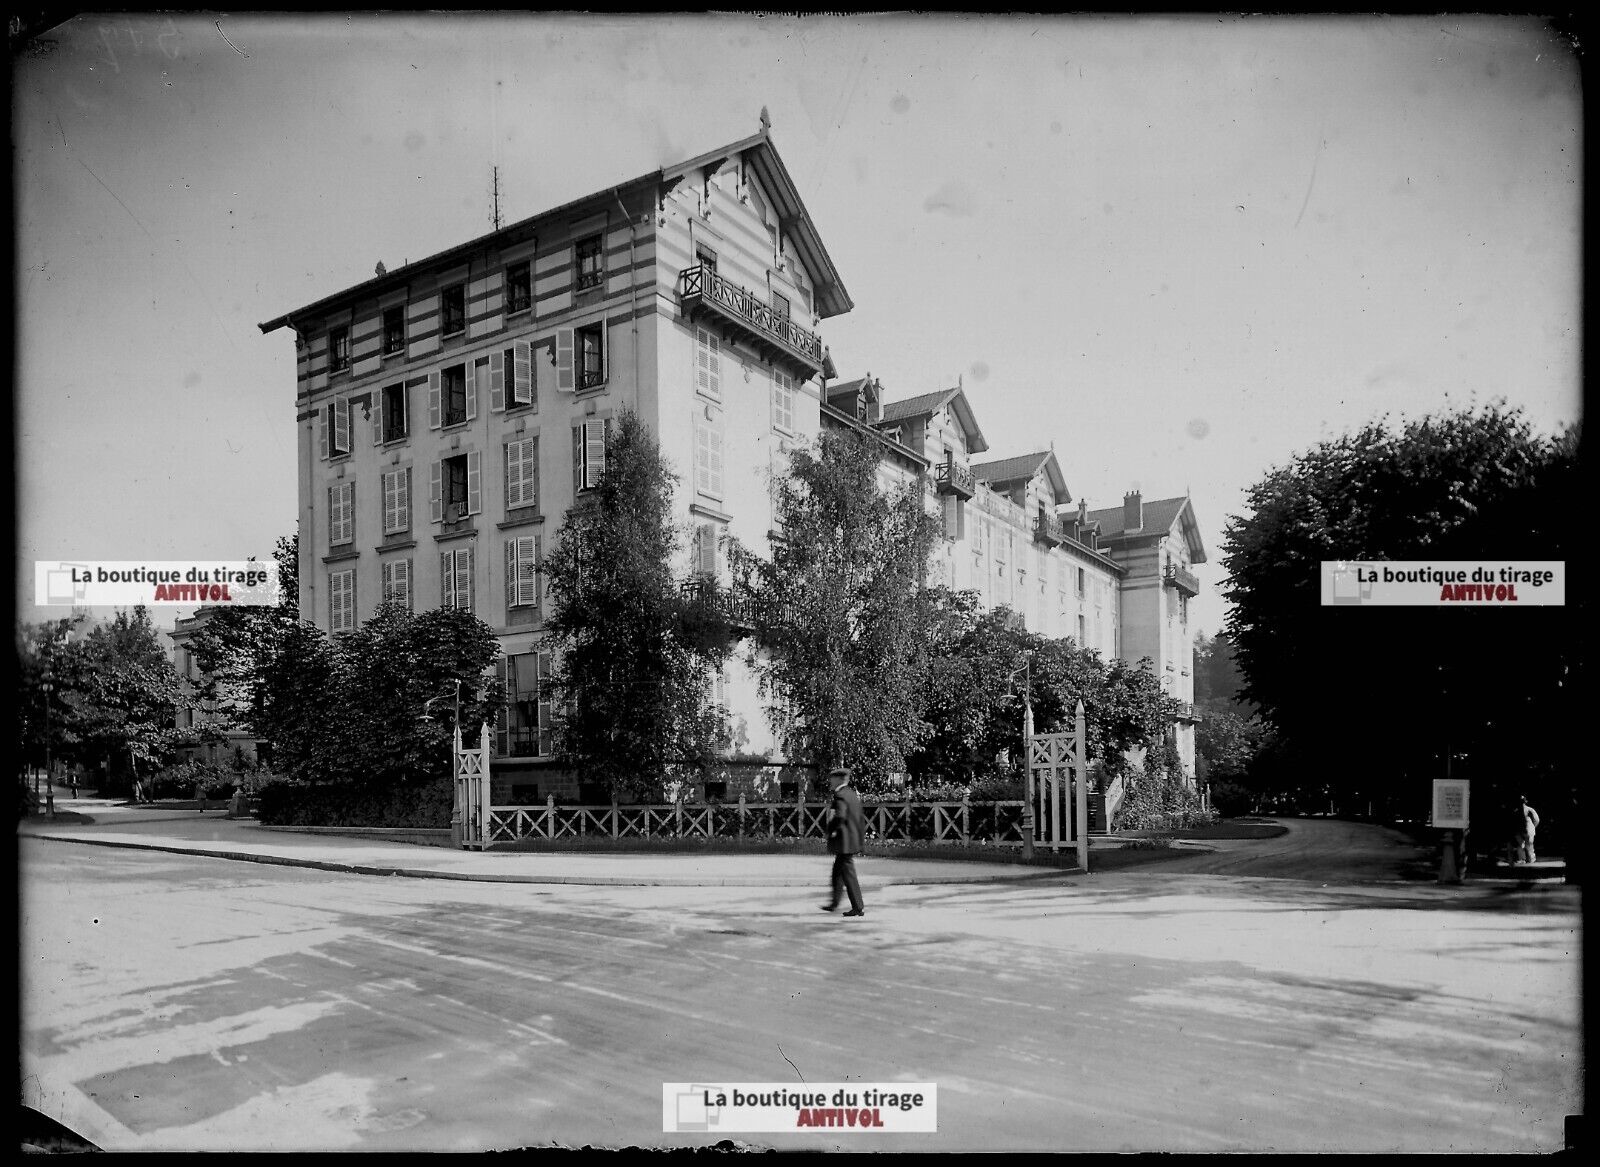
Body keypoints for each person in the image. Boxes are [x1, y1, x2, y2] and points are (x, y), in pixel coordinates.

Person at [821, 767, 866, 918]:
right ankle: (834, 903)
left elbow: (840, 816)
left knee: (848, 874)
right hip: (851, 838)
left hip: (845, 841)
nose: (830, 781)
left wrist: (831, 830)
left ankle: (858, 907)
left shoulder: (840, 795)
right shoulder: (851, 794)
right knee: (837, 873)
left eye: (832, 778)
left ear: (839, 779)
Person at [1514, 795, 1541, 864]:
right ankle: (1528, 859)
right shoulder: (1528, 810)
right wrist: (1533, 827)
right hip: (1525, 830)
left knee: (1523, 845)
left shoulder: (1518, 811)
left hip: (1523, 830)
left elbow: (1536, 819)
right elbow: (1536, 819)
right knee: (1527, 845)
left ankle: (1524, 859)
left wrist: (1533, 827)